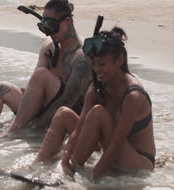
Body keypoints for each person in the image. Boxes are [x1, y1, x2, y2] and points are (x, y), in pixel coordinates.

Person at [33, 27, 156, 179]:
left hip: (138, 163)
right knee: (63, 114)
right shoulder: (96, 88)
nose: (97, 70)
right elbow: (78, 130)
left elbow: (116, 145)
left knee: (98, 113)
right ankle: (37, 165)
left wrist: (92, 179)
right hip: (109, 146)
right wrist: (64, 161)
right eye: (94, 64)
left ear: (119, 60)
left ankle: (71, 172)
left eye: (102, 64)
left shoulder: (133, 95)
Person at [0, 0, 91, 135]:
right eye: (44, 26)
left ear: (67, 21)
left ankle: (11, 133)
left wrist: (32, 129)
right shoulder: (48, 46)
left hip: (67, 113)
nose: (48, 32)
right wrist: (25, 114)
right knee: (0, 88)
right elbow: (32, 88)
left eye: (52, 26)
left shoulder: (82, 55)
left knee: (41, 75)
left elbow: (68, 100)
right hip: (44, 108)